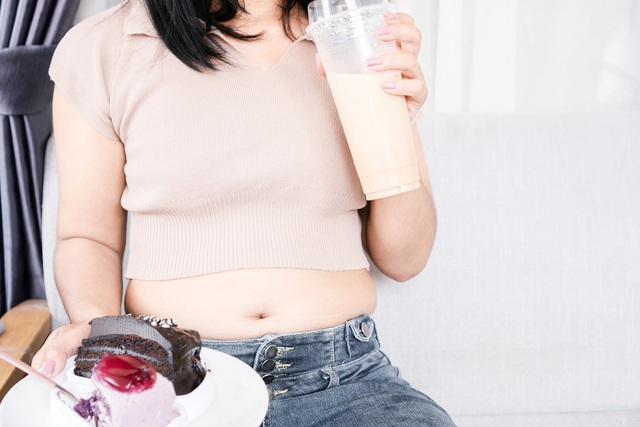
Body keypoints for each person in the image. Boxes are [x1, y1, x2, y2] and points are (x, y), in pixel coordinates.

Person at [32, 0, 456, 425]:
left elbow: (405, 260)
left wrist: (393, 124)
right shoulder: (105, 46)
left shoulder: (356, 36)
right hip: (180, 385)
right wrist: (100, 334)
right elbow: (88, 237)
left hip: (345, 379)